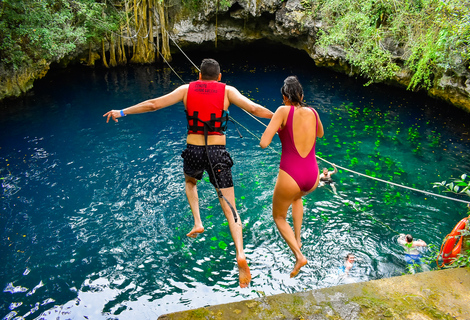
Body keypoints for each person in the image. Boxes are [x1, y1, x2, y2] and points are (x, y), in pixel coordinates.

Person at [103, 58, 273, 288]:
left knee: (191, 182)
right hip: (217, 151)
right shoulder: (228, 91)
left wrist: (122, 112)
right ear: (219, 76)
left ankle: (197, 221)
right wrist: (280, 117)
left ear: (199, 75)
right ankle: (240, 253)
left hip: (194, 150)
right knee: (229, 205)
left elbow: (153, 104)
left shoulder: (186, 89)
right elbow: (254, 109)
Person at [259, 76, 324, 277]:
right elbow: (320, 134)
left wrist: (278, 126)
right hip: (312, 176)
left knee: (278, 216)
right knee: (296, 197)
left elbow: (263, 142)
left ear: (285, 97)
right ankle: (297, 238)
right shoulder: (313, 112)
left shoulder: (282, 111)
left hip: (291, 174)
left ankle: (299, 255)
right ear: (302, 95)